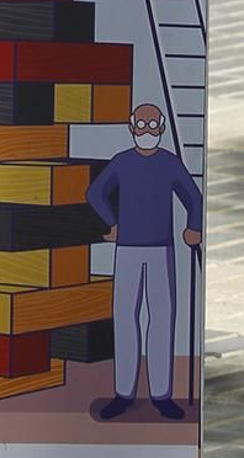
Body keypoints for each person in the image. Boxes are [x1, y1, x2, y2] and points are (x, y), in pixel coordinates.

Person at [87, 101, 203, 421]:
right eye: (142, 124)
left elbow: (193, 198)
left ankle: (161, 395)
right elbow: (95, 193)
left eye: (153, 125)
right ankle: (124, 393)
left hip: (161, 249)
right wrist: (112, 222)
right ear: (132, 127)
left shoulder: (169, 163)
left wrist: (193, 227)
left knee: (162, 318)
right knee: (125, 318)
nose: (147, 130)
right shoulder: (122, 162)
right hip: (127, 249)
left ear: (161, 128)